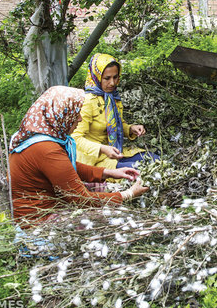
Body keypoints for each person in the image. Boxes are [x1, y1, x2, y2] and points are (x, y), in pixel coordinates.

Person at [9, 86, 148, 225]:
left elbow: (68, 168)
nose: (80, 119)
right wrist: (128, 194)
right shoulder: (46, 149)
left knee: (101, 189)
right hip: (38, 221)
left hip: (46, 206)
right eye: (75, 115)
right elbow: (81, 199)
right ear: (61, 115)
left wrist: (110, 173)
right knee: (111, 219)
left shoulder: (43, 137)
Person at [72, 53, 158, 170]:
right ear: (96, 77)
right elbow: (75, 138)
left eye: (115, 77)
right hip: (94, 159)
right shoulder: (87, 101)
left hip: (116, 152)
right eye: (107, 78)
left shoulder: (112, 98)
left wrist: (130, 129)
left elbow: (116, 124)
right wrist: (102, 149)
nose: (112, 83)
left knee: (156, 161)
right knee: (138, 171)